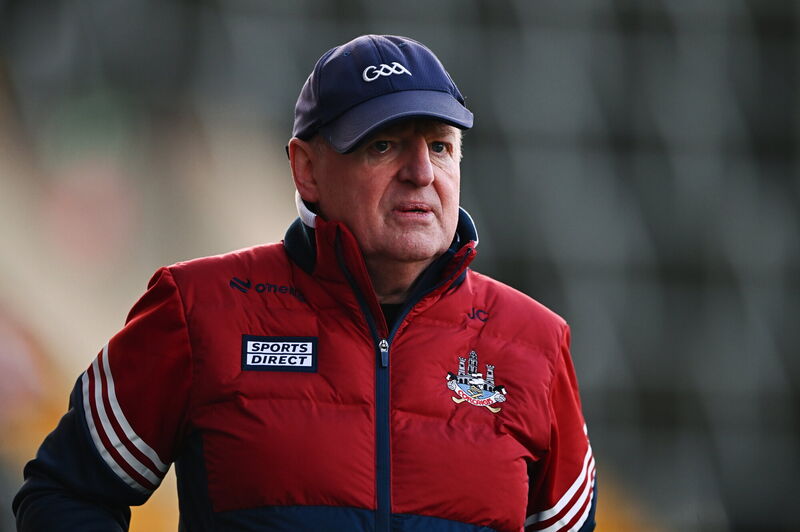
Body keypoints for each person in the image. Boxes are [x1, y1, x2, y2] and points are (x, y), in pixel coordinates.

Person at [13, 34, 596, 532]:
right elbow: (65, 492)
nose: (421, 173)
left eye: (440, 147)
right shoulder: (198, 311)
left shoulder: (535, 344)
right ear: (306, 168)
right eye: (384, 145)